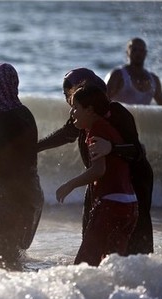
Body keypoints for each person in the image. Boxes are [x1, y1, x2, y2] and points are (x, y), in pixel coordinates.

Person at [38, 68, 154, 255]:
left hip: (134, 179)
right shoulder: (82, 115)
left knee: (138, 233)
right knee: (92, 227)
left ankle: (142, 274)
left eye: (74, 93)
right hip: (100, 179)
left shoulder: (115, 113)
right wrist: (35, 148)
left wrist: (112, 148)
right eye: (67, 95)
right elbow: (65, 135)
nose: (70, 100)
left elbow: (137, 151)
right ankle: (96, 269)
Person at [56, 84, 138, 267]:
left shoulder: (96, 130)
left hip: (111, 205)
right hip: (129, 205)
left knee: (84, 265)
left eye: (76, 108)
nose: (72, 113)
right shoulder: (108, 127)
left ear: (90, 110)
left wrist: (69, 185)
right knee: (113, 265)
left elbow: (98, 170)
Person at [0, 63, 44, 268]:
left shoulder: (1, 119)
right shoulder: (25, 113)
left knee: (1, 262)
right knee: (15, 260)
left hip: (10, 200)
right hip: (31, 194)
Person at [105, 37, 162, 106]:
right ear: (127, 53)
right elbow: (103, 100)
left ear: (145, 53)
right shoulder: (117, 75)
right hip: (120, 116)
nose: (138, 53)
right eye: (134, 50)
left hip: (144, 117)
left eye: (141, 50)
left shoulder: (154, 80)